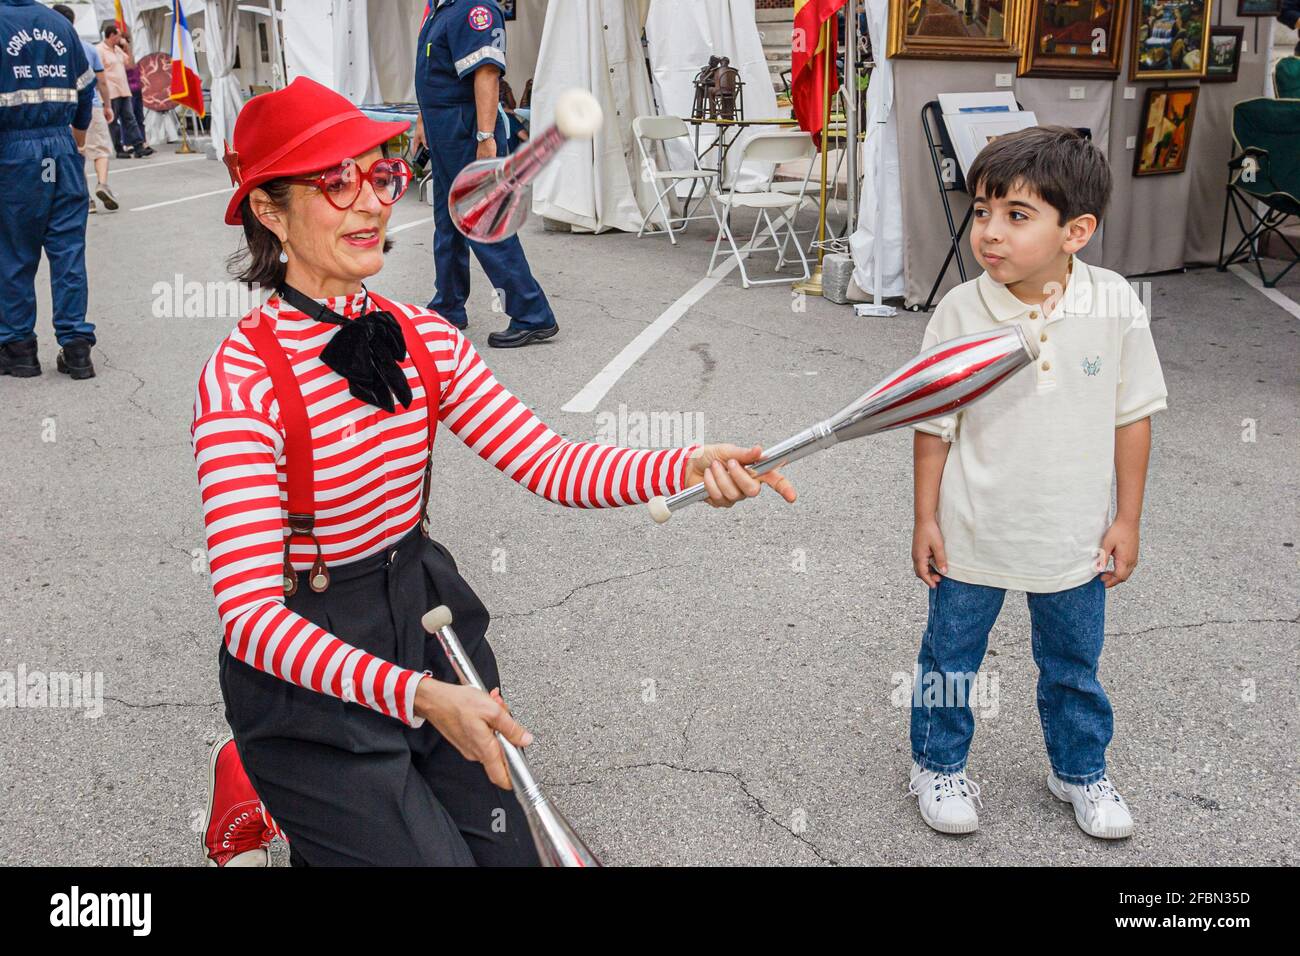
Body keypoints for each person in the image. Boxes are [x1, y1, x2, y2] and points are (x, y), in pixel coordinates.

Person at [194, 77, 798, 866]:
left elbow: (549, 462)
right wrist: (418, 697)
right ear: (269, 211)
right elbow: (246, 614)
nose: (371, 202)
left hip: (424, 613)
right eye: (334, 181)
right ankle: (265, 779)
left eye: (381, 174)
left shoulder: (423, 336)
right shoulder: (241, 380)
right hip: (306, 657)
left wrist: (686, 461)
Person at [906, 127, 1167, 839]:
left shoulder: (1113, 304)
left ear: (1076, 231)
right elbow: (933, 423)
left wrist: (1128, 520)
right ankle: (936, 763)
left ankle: (1079, 772)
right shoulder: (961, 310)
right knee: (950, 658)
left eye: (1017, 216)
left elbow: (1132, 416)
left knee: (1074, 665)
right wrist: (925, 518)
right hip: (972, 531)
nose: (990, 232)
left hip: (1073, 535)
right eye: (983, 211)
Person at [410, 0, 559, 348]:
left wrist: (485, 137)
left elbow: (486, 74)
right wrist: (423, 120)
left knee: (483, 223)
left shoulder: (474, 8)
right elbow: (431, 74)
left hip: (467, 129)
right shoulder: (440, 9)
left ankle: (532, 314)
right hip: (444, 128)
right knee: (447, 221)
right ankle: (448, 307)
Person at [0, 0, 97, 379]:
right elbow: (85, 91)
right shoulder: (59, 23)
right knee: (68, 250)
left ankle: (19, 349)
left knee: (14, 253)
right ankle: (76, 350)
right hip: (61, 150)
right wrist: (74, 137)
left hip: (13, 155)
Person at [52, 4, 117, 213]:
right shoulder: (87, 47)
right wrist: (108, 105)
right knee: (100, 150)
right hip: (91, 105)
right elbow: (101, 81)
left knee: (76, 154)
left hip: (62, 110)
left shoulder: (49, 48)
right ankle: (103, 183)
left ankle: (86, 197)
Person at [97, 23, 149, 159]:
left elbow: (130, 65)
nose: (120, 38)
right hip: (111, 91)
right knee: (113, 122)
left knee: (130, 118)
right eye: (118, 35)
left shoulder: (117, 50)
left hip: (124, 90)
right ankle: (119, 148)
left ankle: (139, 146)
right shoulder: (100, 50)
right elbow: (97, 71)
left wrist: (127, 48)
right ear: (112, 35)